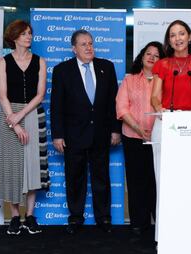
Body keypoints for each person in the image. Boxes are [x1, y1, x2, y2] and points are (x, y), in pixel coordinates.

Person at [50, 29, 121, 235]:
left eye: (91, 43)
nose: (89, 47)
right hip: (73, 136)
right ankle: (75, 218)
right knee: (75, 179)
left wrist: (115, 130)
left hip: (100, 133)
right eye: (83, 44)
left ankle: (104, 218)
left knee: (101, 178)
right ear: (74, 49)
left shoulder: (106, 67)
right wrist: (58, 135)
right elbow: (57, 106)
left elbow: (112, 103)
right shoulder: (62, 70)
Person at [150, 19, 191, 241]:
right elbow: (155, 97)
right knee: (165, 182)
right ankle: (164, 235)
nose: (177, 38)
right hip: (166, 125)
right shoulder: (162, 65)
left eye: (181, 33)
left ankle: (190, 235)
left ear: (190, 37)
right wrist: (161, 110)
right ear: (169, 40)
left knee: (190, 184)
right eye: (173, 35)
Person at [0, 20, 49, 235]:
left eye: (30, 33)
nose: (29, 36)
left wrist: (21, 115)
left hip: (32, 113)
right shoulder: (3, 62)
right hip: (9, 115)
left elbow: (40, 94)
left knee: (32, 165)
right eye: (25, 33)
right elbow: (2, 95)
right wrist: (14, 121)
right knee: (11, 167)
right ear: (15, 37)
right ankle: (15, 216)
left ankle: (30, 216)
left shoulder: (40, 61)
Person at [116, 41, 165, 234]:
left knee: (156, 181)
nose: (152, 58)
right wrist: (138, 128)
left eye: (156, 55)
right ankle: (139, 221)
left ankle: (159, 221)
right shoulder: (130, 80)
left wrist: (153, 132)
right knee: (137, 181)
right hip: (133, 137)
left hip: (160, 139)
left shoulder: (166, 80)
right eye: (148, 54)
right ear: (142, 56)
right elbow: (121, 107)